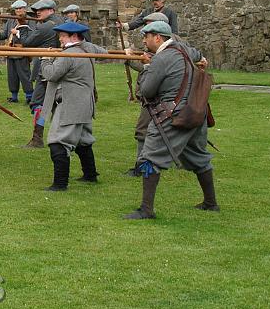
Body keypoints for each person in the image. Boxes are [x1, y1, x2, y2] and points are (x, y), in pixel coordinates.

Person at [124, 21, 218, 220]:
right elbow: (196, 53)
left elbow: (146, 90)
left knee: (149, 157)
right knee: (198, 157)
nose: (144, 40)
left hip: (173, 116)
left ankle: (146, 210)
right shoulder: (183, 48)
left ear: (157, 38)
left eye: (147, 37)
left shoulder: (161, 59)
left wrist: (148, 65)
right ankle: (211, 203)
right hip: (195, 114)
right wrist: (201, 58)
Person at [121, 12, 205, 176]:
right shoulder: (174, 45)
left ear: (158, 32)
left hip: (161, 100)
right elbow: (195, 54)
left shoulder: (169, 49)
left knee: (144, 129)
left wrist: (136, 61)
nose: (144, 33)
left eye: (148, 25)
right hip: (171, 99)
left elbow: (153, 76)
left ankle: (143, 166)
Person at [40, 22, 107, 191]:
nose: (60, 39)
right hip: (85, 104)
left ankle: (60, 184)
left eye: (63, 36)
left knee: (57, 142)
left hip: (70, 104)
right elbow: (104, 53)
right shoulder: (87, 49)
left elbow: (51, 74)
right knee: (83, 141)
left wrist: (45, 60)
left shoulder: (68, 54)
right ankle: (90, 175)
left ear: (74, 37)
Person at [16, 0, 64, 148]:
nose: (38, 12)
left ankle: (38, 138)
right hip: (60, 68)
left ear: (51, 11)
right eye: (37, 11)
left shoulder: (46, 27)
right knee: (55, 103)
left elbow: (26, 42)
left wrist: (22, 26)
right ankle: (57, 136)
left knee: (38, 103)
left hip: (46, 69)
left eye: (42, 10)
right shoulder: (60, 21)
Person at [0, 0, 34, 103]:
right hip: (10, 51)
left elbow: (32, 35)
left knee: (24, 75)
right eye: (16, 9)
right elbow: (5, 33)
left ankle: (29, 96)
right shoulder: (11, 20)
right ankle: (14, 96)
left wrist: (18, 32)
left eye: (20, 8)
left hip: (22, 51)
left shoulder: (30, 20)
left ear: (25, 9)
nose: (18, 10)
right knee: (12, 76)